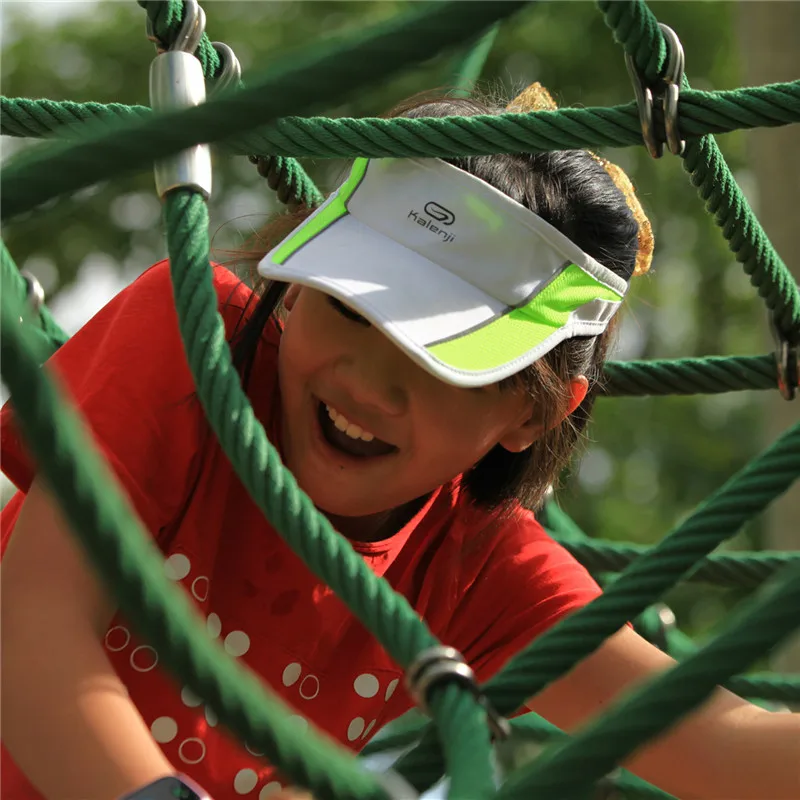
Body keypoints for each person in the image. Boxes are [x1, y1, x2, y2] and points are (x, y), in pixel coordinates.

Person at [1, 85, 797, 800]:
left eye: (444, 360)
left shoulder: (475, 562)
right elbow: (35, 624)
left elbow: (719, 748)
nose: (368, 386)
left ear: (535, 415)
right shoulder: (192, 342)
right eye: (350, 308)